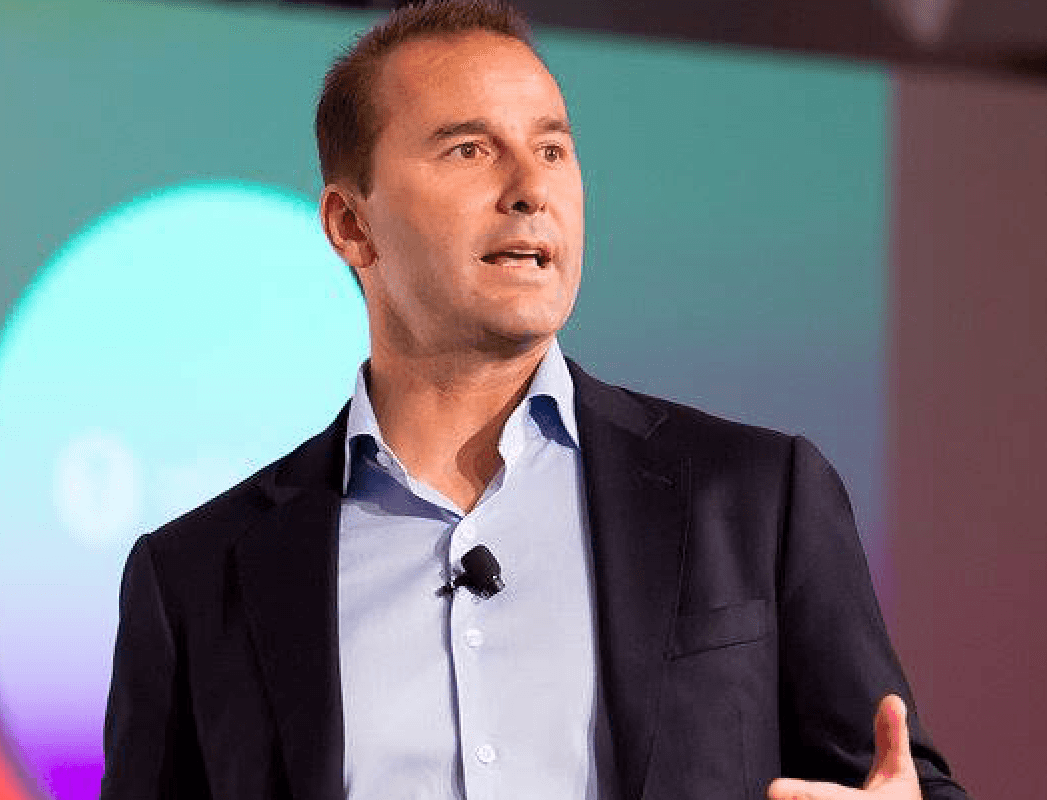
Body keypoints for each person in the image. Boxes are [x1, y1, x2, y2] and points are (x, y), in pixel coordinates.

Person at [101, 1, 971, 799]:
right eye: (469, 150)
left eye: (552, 149)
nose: (530, 187)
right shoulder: (193, 583)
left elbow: (900, 781)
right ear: (351, 225)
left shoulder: (756, 499)